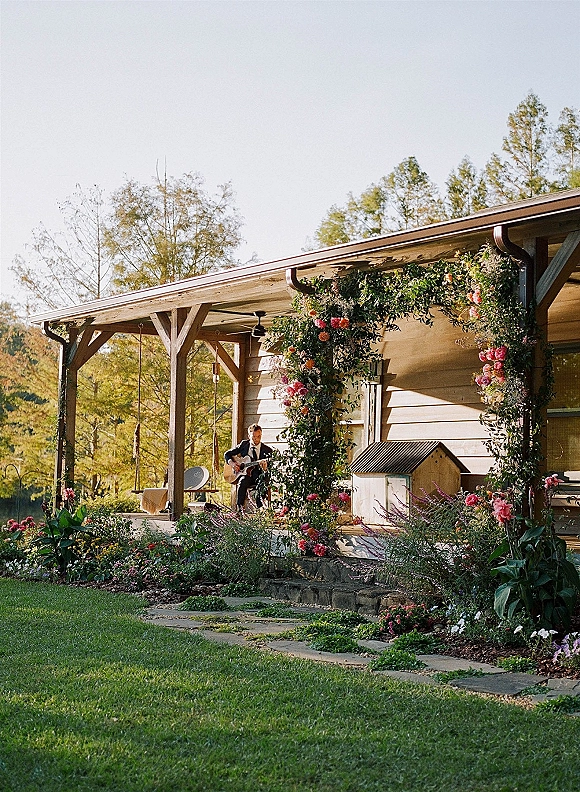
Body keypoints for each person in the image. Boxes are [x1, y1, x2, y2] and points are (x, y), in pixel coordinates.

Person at [224, 424, 272, 510]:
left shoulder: (267, 450)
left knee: (262, 482)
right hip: (246, 475)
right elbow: (227, 454)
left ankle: (260, 509)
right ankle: (239, 510)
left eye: (259, 436)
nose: (256, 439)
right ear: (248, 436)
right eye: (254, 437)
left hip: (259, 475)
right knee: (242, 481)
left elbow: (270, 468)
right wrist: (233, 464)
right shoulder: (244, 445)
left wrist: (265, 468)